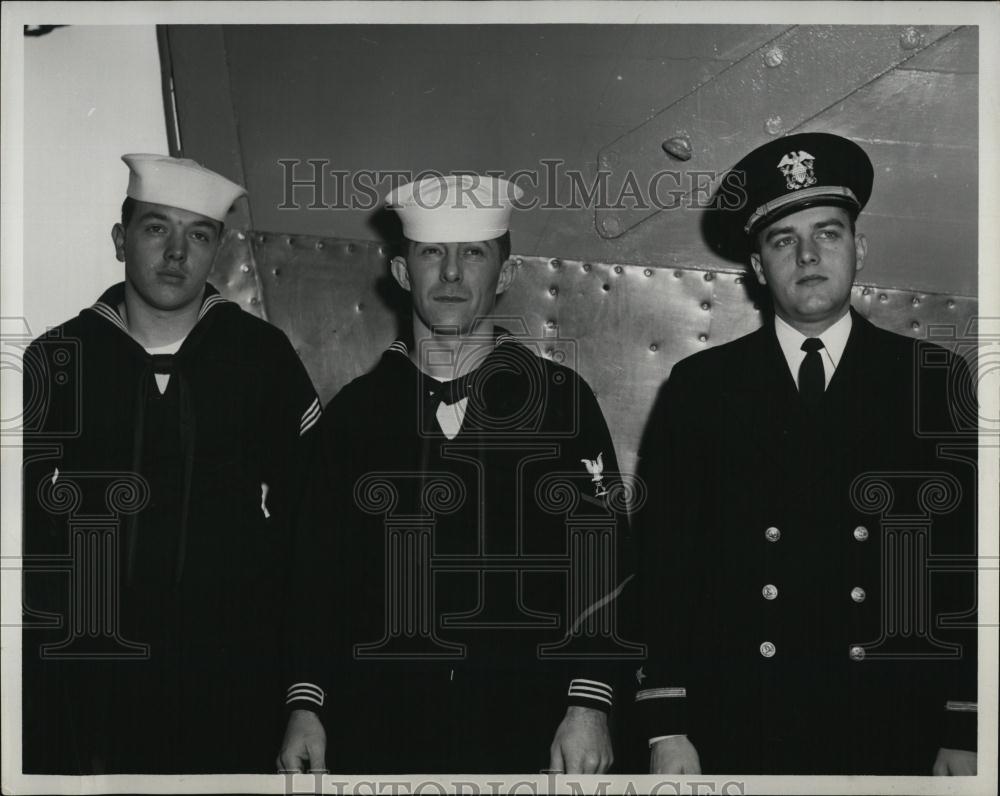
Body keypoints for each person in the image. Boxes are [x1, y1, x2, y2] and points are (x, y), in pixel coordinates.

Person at [634, 133, 978, 775]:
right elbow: (664, 565)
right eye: (783, 240)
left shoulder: (933, 382)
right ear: (758, 266)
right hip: (742, 720)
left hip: (895, 723)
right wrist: (667, 726)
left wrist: (967, 724)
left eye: (828, 233)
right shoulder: (702, 387)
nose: (809, 255)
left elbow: (966, 564)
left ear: (859, 248)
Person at [277, 174, 641, 774]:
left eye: (473, 253)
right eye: (431, 254)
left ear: (506, 273)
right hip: (378, 730)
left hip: (530, 730)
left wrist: (589, 704)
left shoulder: (559, 401)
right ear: (401, 272)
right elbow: (316, 576)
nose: (450, 274)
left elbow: (604, 563)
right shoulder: (356, 414)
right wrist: (306, 706)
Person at [21, 154, 321, 773]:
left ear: (217, 253)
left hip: (233, 690)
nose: (177, 253)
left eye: (199, 235)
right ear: (120, 239)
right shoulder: (57, 360)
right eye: (157, 228)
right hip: (85, 694)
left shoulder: (261, 359)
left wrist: (303, 692)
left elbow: (315, 531)